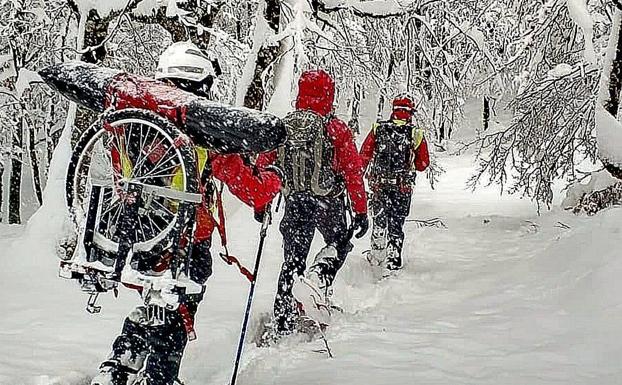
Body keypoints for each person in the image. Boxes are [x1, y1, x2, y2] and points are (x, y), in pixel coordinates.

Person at [92, 41, 282, 385]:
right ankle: (159, 378)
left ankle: (121, 363)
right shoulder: (201, 128)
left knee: (155, 296)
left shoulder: (132, 119)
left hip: (141, 234)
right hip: (188, 238)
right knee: (177, 308)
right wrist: (272, 181)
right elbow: (248, 185)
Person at [256, 69, 369, 335]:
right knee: (339, 242)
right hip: (328, 202)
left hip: (295, 201)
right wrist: (360, 210)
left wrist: (261, 203)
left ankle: (283, 321)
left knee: (293, 261)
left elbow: (264, 166)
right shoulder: (335, 128)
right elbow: (353, 171)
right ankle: (319, 277)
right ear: (329, 93)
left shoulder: (283, 126)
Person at [359, 95, 430, 271]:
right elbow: (423, 164)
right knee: (397, 222)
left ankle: (376, 254)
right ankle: (393, 257)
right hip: (402, 186)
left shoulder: (378, 128)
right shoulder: (415, 133)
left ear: (393, 110)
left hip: (379, 185)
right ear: (410, 112)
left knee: (379, 218)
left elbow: (363, 156)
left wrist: (359, 175)